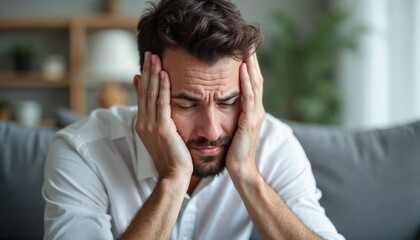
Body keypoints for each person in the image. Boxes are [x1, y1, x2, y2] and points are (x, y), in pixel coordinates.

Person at [43, 0, 345, 239]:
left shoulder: (274, 143)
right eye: (187, 103)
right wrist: (173, 181)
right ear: (145, 93)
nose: (211, 130)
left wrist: (246, 173)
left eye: (228, 102)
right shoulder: (82, 150)